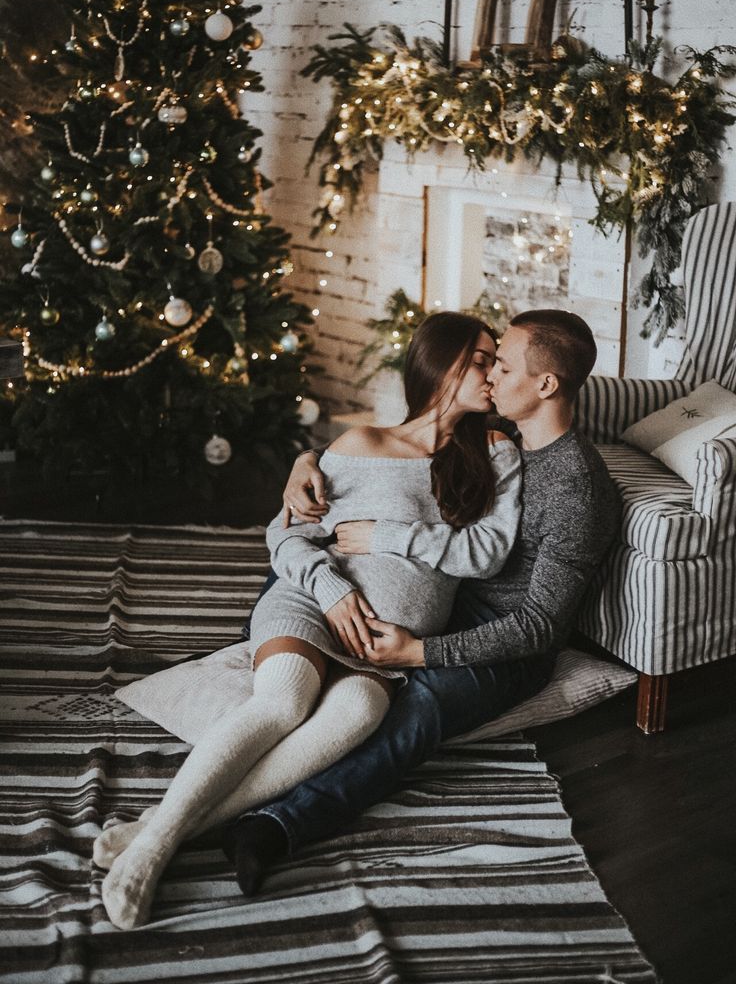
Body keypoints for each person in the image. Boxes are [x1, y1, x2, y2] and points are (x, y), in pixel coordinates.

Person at [97, 311, 524, 929]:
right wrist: (327, 589)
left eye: (497, 361)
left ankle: (154, 829)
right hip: (313, 606)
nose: (493, 374)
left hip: (382, 643)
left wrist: (388, 534)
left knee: (358, 715)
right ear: (443, 364)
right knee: (284, 703)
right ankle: (155, 851)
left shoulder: (494, 453)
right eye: (483, 359)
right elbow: (287, 535)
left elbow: (487, 555)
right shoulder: (361, 446)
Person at [219, 308, 622, 894]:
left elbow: (539, 627)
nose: (490, 378)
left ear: (545, 385)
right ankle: (278, 640)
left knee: (412, 712)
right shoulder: (507, 437)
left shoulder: (578, 489)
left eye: (501, 366)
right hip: (450, 592)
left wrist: (422, 653)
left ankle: (275, 824)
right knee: (322, 574)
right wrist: (306, 462)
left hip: (506, 638)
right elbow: (393, 450)